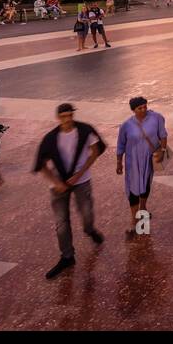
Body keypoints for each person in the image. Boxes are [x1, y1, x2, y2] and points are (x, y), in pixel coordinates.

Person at [34, 103, 106, 279]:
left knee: (87, 213)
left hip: (82, 180)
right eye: (64, 116)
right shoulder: (50, 138)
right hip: (58, 185)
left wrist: (80, 173)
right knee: (61, 223)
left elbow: (96, 150)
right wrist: (55, 181)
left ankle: (89, 230)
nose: (68, 119)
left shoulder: (84, 130)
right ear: (58, 118)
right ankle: (67, 256)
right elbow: (41, 165)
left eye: (70, 115)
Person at [116, 97, 167, 236]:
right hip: (132, 162)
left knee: (145, 186)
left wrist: (162, 151)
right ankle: (134, 221)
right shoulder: (126, 125)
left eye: (145, 106)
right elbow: (120, 145)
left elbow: (163, 135)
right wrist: (118, 162)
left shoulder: (157, 118)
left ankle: (143, 208)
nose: (143, 110)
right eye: (140, 108)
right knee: (133, 190)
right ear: (133, 110)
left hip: (149, 159)